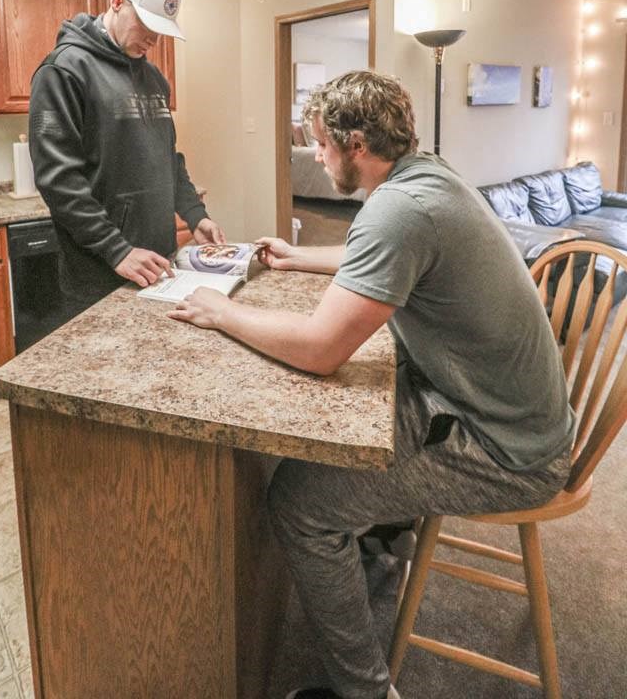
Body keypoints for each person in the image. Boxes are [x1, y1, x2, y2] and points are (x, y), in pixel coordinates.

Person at [169, 70, 574, 699]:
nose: (319, 158)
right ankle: (387, 530)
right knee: (363, 416)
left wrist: (222, 312)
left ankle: (365, 691)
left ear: (355, 144)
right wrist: (300, 256)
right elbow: (386, 254)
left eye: (323, 146)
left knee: (299, 506)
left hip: (508, 451)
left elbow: (321, 348)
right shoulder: (426, 176)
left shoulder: (400, 210)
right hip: (506, 408)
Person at [29, 0, 224, 311]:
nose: (153, 37)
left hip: (158, 263)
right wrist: (116, 249)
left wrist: (195, 215)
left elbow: (168, 157)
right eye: (147, 24)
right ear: (118, 2)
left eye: (161, 29)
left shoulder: (154, 78)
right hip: (101, 271)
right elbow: (58, 179)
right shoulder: (64, 70)